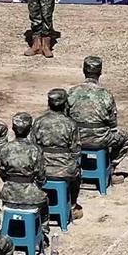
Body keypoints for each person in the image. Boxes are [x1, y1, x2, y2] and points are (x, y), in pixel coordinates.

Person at [66, 55, 128, 186]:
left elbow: (65, 118)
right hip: (99, 139)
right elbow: (113, 124)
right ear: (100, 72)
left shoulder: (72, 92)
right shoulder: (106, 94)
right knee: (124, 138)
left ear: (84, 71)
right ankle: (111, 168)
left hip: (75, 138)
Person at [0, 113, 48, 248]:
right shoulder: (35, 150)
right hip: (30, 194)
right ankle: (43, 232)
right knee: (45, 200)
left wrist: (11, 181)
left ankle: (12, 229)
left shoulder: (5, 148)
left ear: (13, 128)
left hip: (9, 194)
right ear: (30, 129)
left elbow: (1, 172)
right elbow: (41, 175)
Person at [31, 88, 82, 218]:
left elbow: (33, 147)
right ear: (65, 104)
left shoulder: (39, 122)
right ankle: (73, 205)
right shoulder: (70, 124)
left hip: (41, 168)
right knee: (77, 173)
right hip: (64, 168)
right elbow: (76, 151)